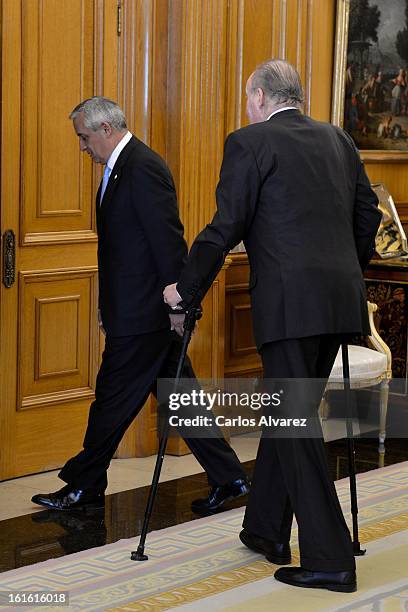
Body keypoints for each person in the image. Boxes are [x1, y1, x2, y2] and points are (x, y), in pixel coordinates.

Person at [164, 59, 381, 592]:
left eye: (247, 97)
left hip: (288, 307)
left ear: (260, 96)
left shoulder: (249, 142)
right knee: (293, 413)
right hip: (338, 304)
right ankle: (265, 529)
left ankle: (330, 558)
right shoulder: (340, 140)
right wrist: (345, 272)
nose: (246, 107)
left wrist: (185, 291)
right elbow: (367, 215)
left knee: (296, 425)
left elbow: (225, 226)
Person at [31, 97, 249, 514]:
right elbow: (120, 251)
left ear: (106, 130)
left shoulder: (143, 167)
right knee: (180, 398)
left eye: (84, 137)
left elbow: (167, 240)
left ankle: (83, 485)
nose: (82, 147)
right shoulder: (120, 167)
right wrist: (106, 303)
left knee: (111, 400)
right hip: (132, 308)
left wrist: (178, 305)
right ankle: (231, 478)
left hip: (146, 316)